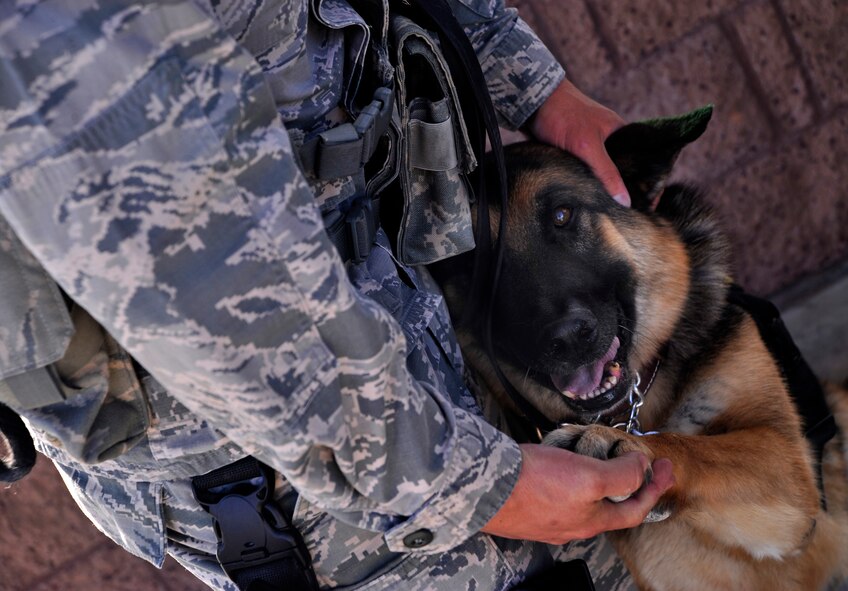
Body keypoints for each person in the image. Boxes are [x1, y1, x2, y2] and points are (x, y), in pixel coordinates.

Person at [0, 1, 673, 589]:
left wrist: (533, 84)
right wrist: (465, 488)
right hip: (309, 450)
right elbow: (211, 289)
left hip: (413, 304)